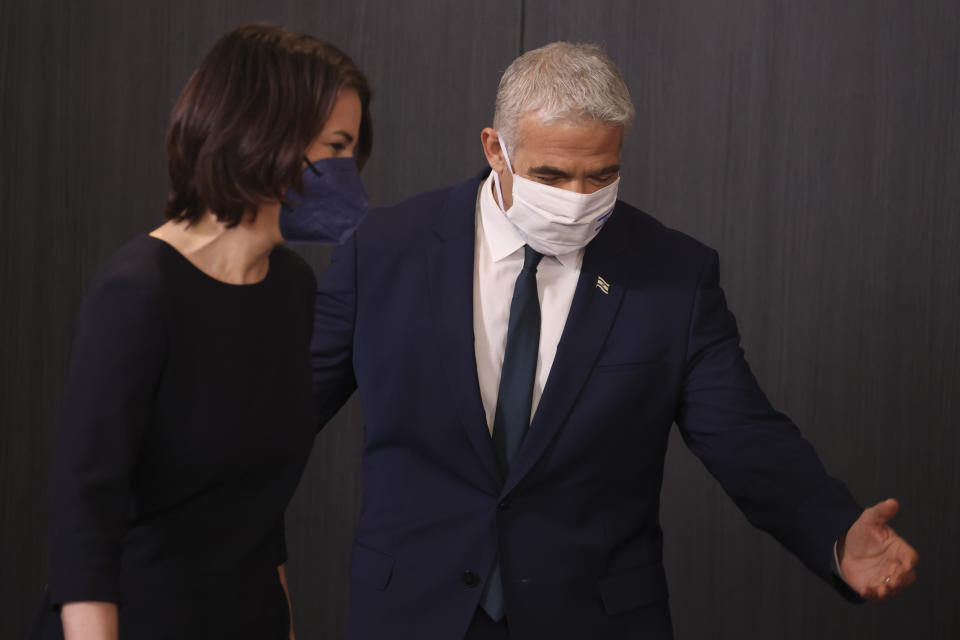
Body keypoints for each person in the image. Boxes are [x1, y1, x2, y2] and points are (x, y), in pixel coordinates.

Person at [310, 42, 918, 639]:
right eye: (551, 175)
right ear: (495, 148)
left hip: (593, 617)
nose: (576, 202)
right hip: (410, 613)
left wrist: (835, 534)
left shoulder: (672, 274)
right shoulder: (384, 250)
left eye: (601, 175)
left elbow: (742, 433)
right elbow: (285, 411)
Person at [32, 23, 371, 640]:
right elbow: (85, 527)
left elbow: (259, 512)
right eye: (336, 147)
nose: (351, 172)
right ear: (263, 137)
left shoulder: (292, 287)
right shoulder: (138, 291)